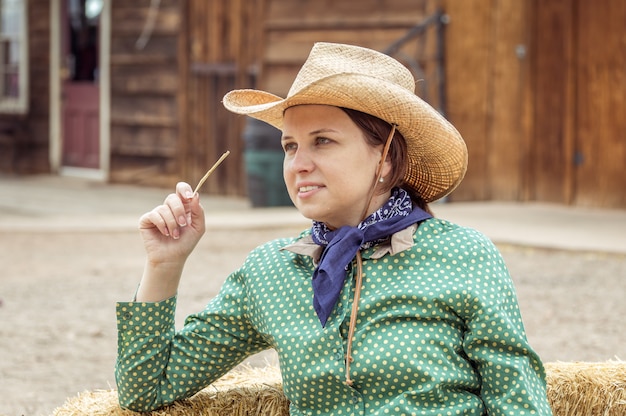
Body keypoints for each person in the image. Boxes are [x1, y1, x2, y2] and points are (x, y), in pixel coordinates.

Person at [115, 42, 553, 415]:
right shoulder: (269, 273)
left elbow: (518, 400)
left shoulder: (462, 254)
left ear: (386, 159)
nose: (298, 164)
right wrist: (164, 263)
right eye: (290, 146)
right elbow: (145, 391)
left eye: (322, 141)